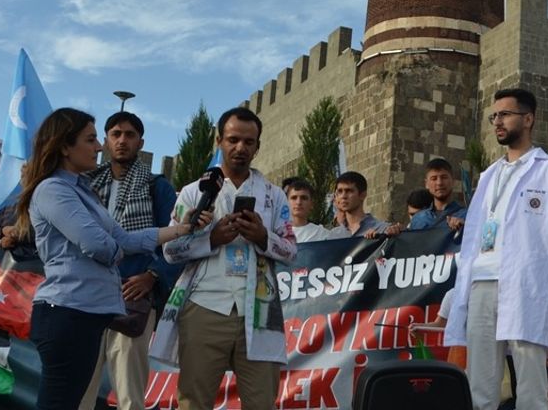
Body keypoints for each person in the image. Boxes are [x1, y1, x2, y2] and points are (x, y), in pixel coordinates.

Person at [15, 108, 193, 410]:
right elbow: (99, 246)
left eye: (128, 135)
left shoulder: (86, 191)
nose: (99, 147)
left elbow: (122, 238)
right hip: (68, 310)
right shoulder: (53, 189)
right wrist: (116, 252)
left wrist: (183, 230)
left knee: (107, 395)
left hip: (98, 309)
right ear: (64, 146)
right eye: (92, 139)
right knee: (65, 401)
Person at [445, 88, 548, 410]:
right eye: (494, 116)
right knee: (481, 381)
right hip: (482, 283)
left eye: (505, 115)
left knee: (530, 381)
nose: (497, 122)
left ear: (527, 119)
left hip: (522, 284)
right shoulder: (489, 174)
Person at [163, 107, 296, 410]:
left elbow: (291, 250)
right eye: (233, 139)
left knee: (262, 403)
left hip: (259, 310)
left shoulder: (273, 196)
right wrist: (211, 239)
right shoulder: (193, 193)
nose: (240, 148)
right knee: (193, 402)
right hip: (204, 306)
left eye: (249, 142)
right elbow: (169, 251)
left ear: (258, 146)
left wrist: (262, 236)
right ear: (219, 141)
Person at [78, 111, 180, 410]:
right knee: (79, 387)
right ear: (106, 141)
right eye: (116, 134)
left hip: (131, 295)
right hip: (86, 293)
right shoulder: (85, 184)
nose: (122, 140)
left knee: (129, 393)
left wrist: (154, 276)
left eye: (129, 135)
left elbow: (173, 242)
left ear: (141, 142)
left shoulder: (156, 187)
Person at [408, 158, 467, 231]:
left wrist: (466, 229)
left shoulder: (467, 216)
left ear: (453, 181)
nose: (439, 183)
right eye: (434, 178)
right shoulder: (418, 219)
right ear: (426, 184)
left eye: (444, 177)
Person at [332, 171, 396, 238]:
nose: (343, 196)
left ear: (362, 195)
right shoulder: (333, 236)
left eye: (349, 191)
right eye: (340, 191)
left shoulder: (383, 230)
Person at [287, 178, 348, 243]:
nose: (298, 202)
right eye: (294, 198)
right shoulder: (278, 236)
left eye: (304, 198)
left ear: (311, 204)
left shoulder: (321, 234)